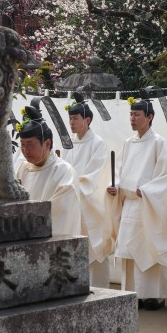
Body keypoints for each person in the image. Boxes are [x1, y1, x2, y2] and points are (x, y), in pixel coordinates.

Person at [106, 95, 167, 311]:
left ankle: (153, 295)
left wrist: (147, 191)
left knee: (149, 249)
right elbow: (119, 171)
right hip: (129, 204)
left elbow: (166, 176)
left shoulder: (158, 142)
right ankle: (132, 294)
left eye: (137, 114)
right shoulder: (128, 143)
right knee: (129, 251)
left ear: (149, 117)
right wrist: (115, 186)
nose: (132, 118)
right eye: (131, 114)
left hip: (148, 205)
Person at [61, 93, 112, 288]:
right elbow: (63, 169)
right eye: (70, 119)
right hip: (73, 202)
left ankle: (99, 289)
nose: (71, 122)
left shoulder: (97, 143)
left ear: (87, 120)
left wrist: (73, 185)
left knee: (94, 247)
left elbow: (95, 175)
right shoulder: (69, 143)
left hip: (90, 204)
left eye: (75, 118)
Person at [15, 105, 81, 236]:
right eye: (22, 145)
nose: (25, 151)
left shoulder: (64, 172)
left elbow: (61, 216)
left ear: (47, 144)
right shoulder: (23, 168)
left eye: (30, 145)